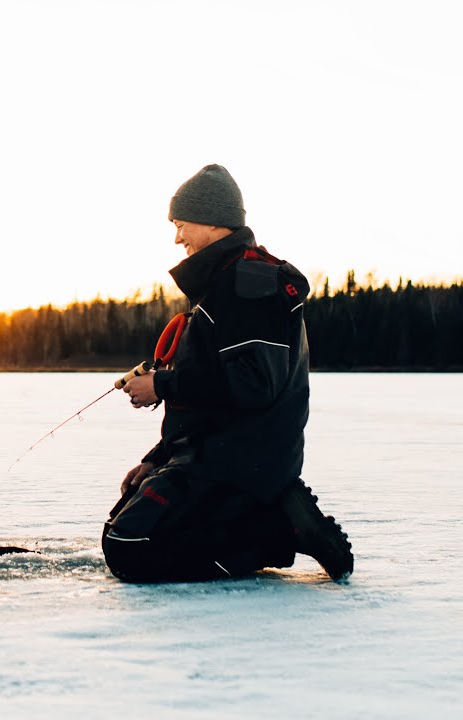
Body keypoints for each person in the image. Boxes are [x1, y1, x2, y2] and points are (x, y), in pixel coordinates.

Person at [103, 164, 353, 582]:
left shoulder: (249, 284)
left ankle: (278, 526)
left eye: (181, 225)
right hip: (210, 454)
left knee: (131, 550)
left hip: (242, 461)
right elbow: (210, 398)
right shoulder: (223, 283)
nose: (177, 238)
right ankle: (262, 516)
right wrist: (158, 458)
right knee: (122, 525)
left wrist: (160, 384)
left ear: (213, 221)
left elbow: (255, 386)